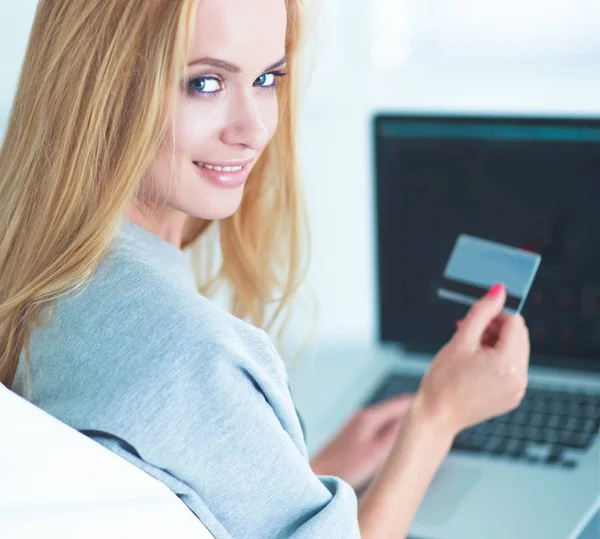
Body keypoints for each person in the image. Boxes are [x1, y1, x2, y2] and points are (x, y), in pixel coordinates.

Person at [0, 0, 530, 537]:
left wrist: (307, 475)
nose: (252, 129)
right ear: (101, 83)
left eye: (267, 78)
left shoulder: (40, 279)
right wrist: (437, 418)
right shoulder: (192, 356)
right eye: (205, 83)